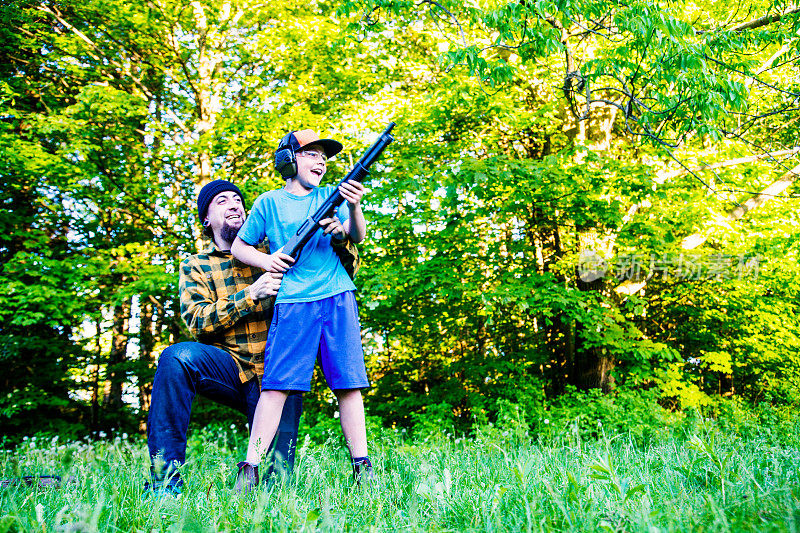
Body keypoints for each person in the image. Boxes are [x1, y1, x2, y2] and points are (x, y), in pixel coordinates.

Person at [144, 178, 359, 497]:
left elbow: (343, 270)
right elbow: (198, 322)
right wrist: (250, 295)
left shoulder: (277, 253)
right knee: (176, 358)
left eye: (238, 200)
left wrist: (342, 236)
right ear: (206, 219)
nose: (234, 204)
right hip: (231, 368)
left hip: (278, 376)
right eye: (222, 201)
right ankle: (164, 483)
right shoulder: (197, 265)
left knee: (276, 485)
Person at [230, 129, 373, 493]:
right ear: (288, 160)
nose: (321, 160)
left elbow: (357, 236)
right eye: (311, 154)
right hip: (293, 301)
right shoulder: (269, 203)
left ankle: (363, 467)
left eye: (324, 156)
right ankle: (251, 468)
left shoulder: (332, 196)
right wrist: (268, 259)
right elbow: (240, 247)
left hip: (338, 296)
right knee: (276, 386)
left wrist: (353, 207)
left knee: (349, 384)